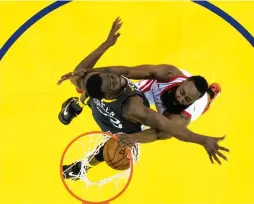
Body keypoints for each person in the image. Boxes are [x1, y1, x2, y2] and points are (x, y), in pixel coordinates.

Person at [58, 18, 229, 180]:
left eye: (186, 98)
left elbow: (158, 132)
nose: (180, 96)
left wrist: (134, 138)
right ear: (182, 81)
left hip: (171, 114)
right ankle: (75, 106)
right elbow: (126, 72)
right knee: (97, 88)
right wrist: (87, 73)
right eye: (182, 91)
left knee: (121, 142)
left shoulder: (182, 117)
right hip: (154, 89)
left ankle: (83, 168)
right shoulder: (167, 74)